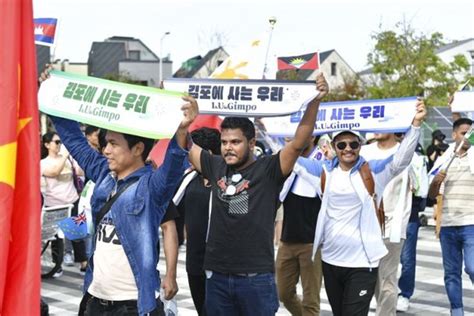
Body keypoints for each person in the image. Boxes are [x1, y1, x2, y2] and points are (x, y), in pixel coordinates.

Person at [41, 64, 200, 316]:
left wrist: (181, 130)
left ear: (137, 149)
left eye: (114, 144)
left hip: (132, 304)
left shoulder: (151, 187)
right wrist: (53, 95)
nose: (106, 150)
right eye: (105, 143)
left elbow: (172, 166)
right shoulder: (103, 173)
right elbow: (73, 139)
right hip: (94, 298)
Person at [187, 73, 329, 315]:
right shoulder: (215, 165)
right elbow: (186, 145)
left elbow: (298, 142)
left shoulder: (269, 169)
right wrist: (176, 114)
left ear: (252, 143)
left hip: (256, 280)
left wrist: (315, 100)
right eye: (224, 142)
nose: (228, 147)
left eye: (235, 142)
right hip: (217, 277)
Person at [295, 99, 426, 316]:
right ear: (334, 147)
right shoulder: (322, 172)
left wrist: (415, 126)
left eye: (353, 144)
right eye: (342, 145)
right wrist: (271, 128)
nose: (348, 149)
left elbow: (401, 160)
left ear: (360, 145)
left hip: (363, 263)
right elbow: (290, 157)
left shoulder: (374, 172)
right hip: (331, 261)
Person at [360, 133, 413, 316]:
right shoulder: (364, 151)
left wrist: (400, 226)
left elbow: (411, 190)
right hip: (363, 226)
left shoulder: (405, 152)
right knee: (367, 280)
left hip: (392, 226)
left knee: (386, 281)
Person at [428, 117, 474, 316]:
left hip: (471, 223)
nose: (467, 137)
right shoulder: (444, 160)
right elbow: (431, 195)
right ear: (454, 135)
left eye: (470, 133)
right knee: (451, 273)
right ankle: (457, 311)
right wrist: (437, 182)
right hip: (447, 225)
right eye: (463, 133)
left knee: (472, 268)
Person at [173, 127, 221, 315]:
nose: (187, 156)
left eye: (190, 152)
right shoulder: (188, 178)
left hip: (221, 265)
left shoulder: (230, 181)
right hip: (195, 262)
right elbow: (169, 208)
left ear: (206, 154)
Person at [276, 136, 323, 316]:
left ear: (311, 135)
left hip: (311, 243)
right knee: (283, 293)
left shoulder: (322, 162)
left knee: (311, 300)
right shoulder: (287, 161)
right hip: (287, 240)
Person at [40, 132, 88, 277]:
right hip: (54, 204)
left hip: (72, 201)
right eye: (57, 142)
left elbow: (80, 171)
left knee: (77, 234)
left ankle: (83, 262)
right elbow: (54, 172)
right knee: (54, 236)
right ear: (47, 145)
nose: (60, 144)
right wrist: (66, 156)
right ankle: (57, 265)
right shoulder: (43, 163)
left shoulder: (68, 159)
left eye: (61, 142)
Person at [396, 145, 428, 312]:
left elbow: (422, 190)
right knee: (382, 257)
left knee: (407, 258)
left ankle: (404, 294)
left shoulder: (417, 159)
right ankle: (382, 293)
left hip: (409, 215)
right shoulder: (383, 155)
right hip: (384, 215)